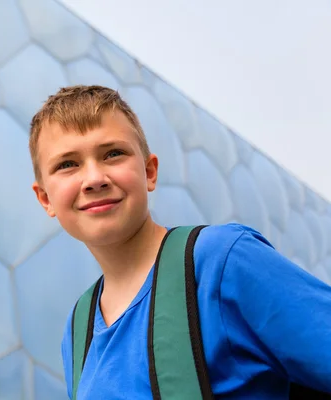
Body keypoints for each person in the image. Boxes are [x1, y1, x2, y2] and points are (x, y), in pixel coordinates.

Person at [28, 85, 331, 399]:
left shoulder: (221, 261)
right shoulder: (79, 329)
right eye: (67, 164)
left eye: (113, 154)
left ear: (149, 171)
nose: (94, 179)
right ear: (45, 198)